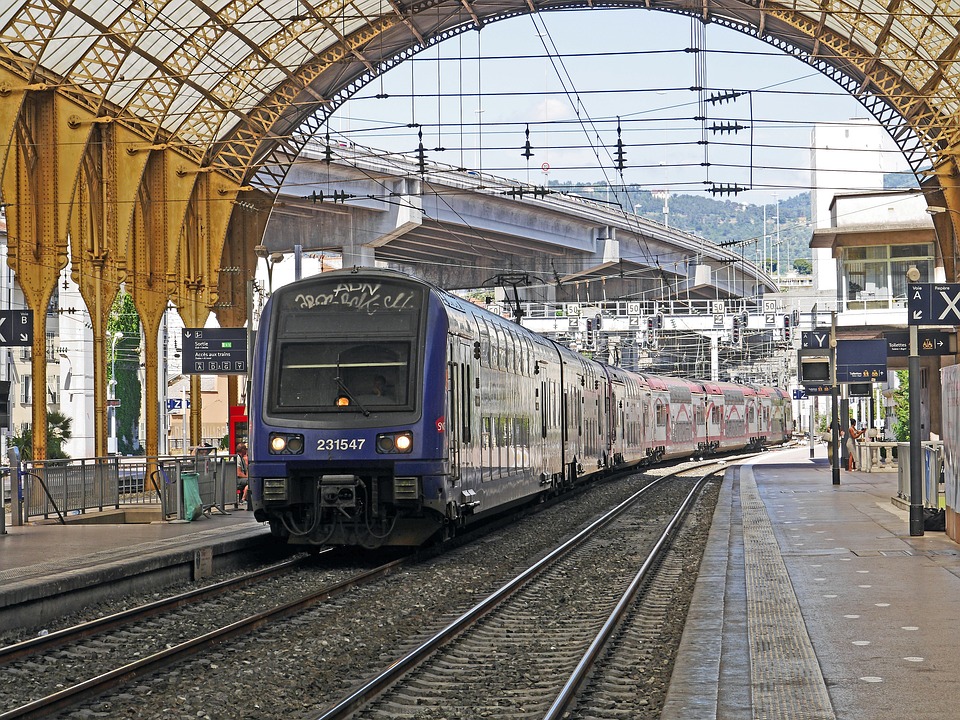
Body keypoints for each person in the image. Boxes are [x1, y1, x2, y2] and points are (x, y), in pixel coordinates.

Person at [236, 443, 250, 510]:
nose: (246, 451)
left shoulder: (242, 459)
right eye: (245, 449)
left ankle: (245, 498)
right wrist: (247, 478)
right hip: (237, 479)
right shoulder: (237, 458)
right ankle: (243, 499)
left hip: (241, 478)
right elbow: (238, 473)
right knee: (250, 482)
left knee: (251, 480)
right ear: (242, 450)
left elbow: (245, 471)